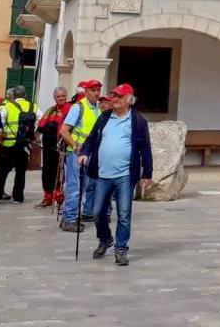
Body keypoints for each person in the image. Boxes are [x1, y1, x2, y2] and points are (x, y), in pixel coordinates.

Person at [79, 83, 152, 266]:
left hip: (125, 175)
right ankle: (105, 238)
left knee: (124, 214)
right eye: (114, 95)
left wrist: (147, 174)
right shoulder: (104, 117)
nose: (115, 99)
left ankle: (121, 249)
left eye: (119, 96)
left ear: (128, 100)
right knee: (97, 212)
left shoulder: (137, 121)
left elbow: (146, 149)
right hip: (103, 174)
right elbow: (92, 138)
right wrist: (84, 153)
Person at [59, 79, 102, 232]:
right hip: (76, 154)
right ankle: (70, 218)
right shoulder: (79, 107)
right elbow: (64, 130)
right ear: (86, 91)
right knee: (75, 186)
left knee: (82, 186)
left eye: (98, 90)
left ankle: (69, 217)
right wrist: (75, 145)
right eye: (93, 90)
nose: (96, 93)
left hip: (89, 154)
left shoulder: (97, 107)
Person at [0, 85, 39, 204]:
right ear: (25, 95)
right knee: (21, 171)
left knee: (2, 170)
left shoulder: (6, 106)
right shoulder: (33, 106)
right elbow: (40, 119)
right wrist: (33, 132)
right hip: (24, 144)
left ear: (14, 95)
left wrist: (0, 135)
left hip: (8, 143)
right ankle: (18, 197)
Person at [35, 86, 68, 208]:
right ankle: (47, 196)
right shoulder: (50, 110)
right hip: (47, 146)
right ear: (54, 97)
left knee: (59, 172)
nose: (61, 98)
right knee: (47, 172)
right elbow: (41, 126)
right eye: (58, 96)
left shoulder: (69, 109)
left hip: (60, 146)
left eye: (63, 96)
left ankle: (59, 196)